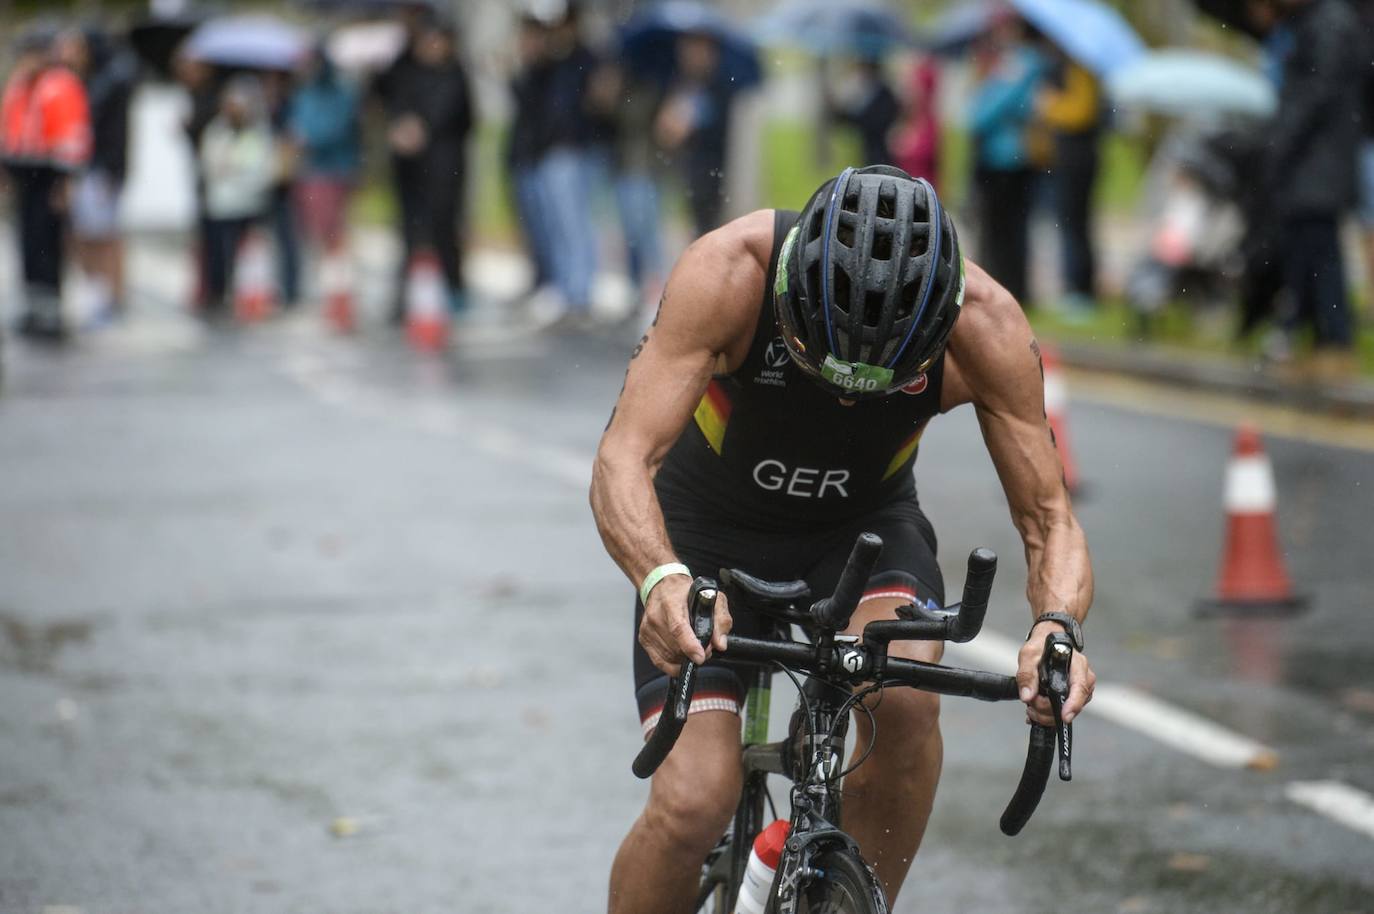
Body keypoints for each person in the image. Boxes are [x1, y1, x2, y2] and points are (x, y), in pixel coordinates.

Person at [591, 165, 1097, 912]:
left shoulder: (984, 324)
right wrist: (660, 577)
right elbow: (623, 459)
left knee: (903, 707)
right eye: (820, 365)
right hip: (704, 536)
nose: (842, 395)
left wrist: (1057, 629)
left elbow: (1049, 517)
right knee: (695, 801)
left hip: (861, 535)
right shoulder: (731, 274)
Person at [1265, 0, 1363, 378]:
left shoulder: (1329, 23)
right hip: (1314, 162)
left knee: (1321, 256)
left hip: (1319, 162)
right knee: (1307, 255)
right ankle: (1311, 339)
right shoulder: (1316, 21)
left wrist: (1282, 140)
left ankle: (1335, 344)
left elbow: (1315, 93)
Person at [375, 14, 474, 319]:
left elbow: (452, 112)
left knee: (443, 229)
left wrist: (421, 128)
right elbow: (384, 94)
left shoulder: (454, 74)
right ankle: (409, 296)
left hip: (444, 167)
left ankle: (453, 291)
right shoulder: (406, 70)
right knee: (410, 232)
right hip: (410, 170)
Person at [0, 27, 90, 339]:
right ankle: (33, 306)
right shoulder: (19, 85)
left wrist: (65, 182)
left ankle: (52, 310)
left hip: (49, 173)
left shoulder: (61, 85)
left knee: (48, 243)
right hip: (23, 170)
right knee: (27, 241)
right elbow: (10, 129)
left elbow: (71, 135)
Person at [57, 26, 135, 325]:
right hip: (92, 168)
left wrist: (110, 173)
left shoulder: (110, 80)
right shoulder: (94, 79)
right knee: (87, 234)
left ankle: (109, 297)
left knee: (101, 236)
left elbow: (99, 128)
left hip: (102, 170)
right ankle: (100, 293)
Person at [967, 14, 1045, 306]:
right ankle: (1013, 287)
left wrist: (976, 115)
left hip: (1005, 160)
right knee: (1010, 228)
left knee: (1003, 230)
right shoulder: (1024, 61)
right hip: (1010, 158)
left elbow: (990, 108)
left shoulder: (1022, 62)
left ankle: (1009, 289)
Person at [198, 75, 276, 312]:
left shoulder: (257, 133)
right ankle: (220, 292)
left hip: (248, 203)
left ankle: (247, 295)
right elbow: (210, 165)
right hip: (222, 203)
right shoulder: (216, 131)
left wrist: (238, 173)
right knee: (220, 252)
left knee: (247, 253)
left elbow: (262, 168)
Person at [1037, 49, 1102, 312]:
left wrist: (1050, 106)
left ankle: (1079, 289)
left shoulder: (1081, 70)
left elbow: (1080, 112)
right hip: (1070, 159)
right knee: (1071, 224)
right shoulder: (1073, 68)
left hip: (1077, 160)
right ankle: (1076, 286)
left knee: (1074, 224)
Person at [655, 29, 737, 237]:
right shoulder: (681, 82)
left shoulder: (718, 86)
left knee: (708, 228)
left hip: (712, 172)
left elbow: (706, 123)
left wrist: (686, 123)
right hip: (688, 169)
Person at [288, 48, 361, 268]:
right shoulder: (304, 94)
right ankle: (326, 274)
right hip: (311, 169)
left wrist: (309, 138)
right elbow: (297, 124)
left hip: (336, 168)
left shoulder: (342, 94)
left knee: (334, 229)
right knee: (314, 230)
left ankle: (338, 277)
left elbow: (338, 128)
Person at [827, 57, 900, 168]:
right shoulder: (866, 92)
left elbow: (874, 121)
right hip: (866, 149)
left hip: (880, 152)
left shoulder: (885, 94)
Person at [891, 56, 941, 190]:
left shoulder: (929, 123)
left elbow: (926, 158)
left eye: (913, 89)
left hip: (920, 191)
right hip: (902, 190)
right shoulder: (905, 118)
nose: (908, 94)